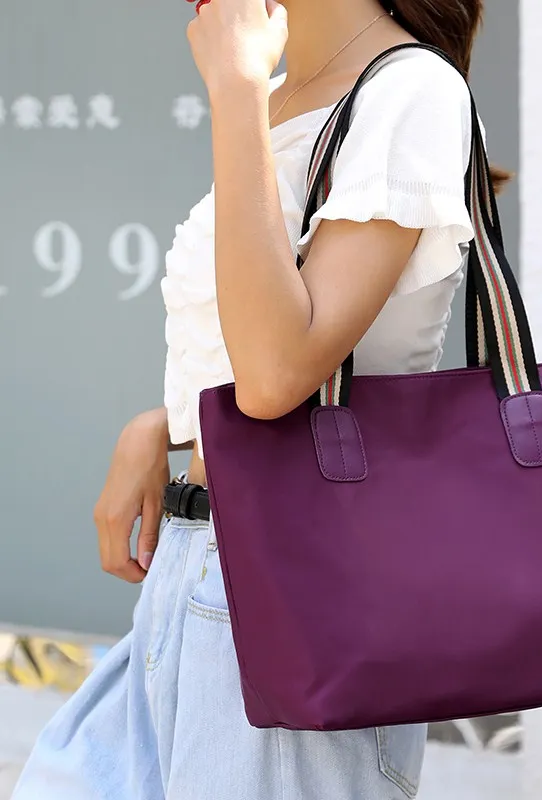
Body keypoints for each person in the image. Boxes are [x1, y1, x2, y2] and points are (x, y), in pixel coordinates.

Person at [13, 0, 506, 797]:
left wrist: (236, 91)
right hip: (189, 571)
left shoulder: (410, 90)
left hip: (301, 586)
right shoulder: (280, 90)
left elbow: (277, 375)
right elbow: (251, 353)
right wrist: (168, 424)